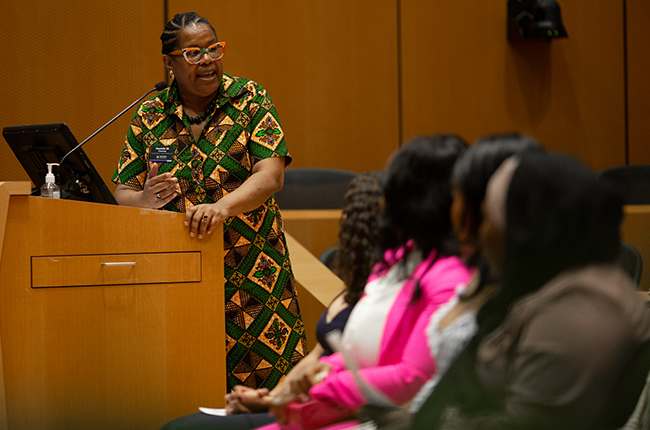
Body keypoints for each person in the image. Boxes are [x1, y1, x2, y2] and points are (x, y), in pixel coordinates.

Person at [111, 12, 305, 390]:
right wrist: (146, 199)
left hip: (254, 278)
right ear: (169, 62)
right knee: (188, 388)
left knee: (267, 397)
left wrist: (223, 207)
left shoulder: (250, 99)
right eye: (194, 53)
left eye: (213, 49)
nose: (208, 60)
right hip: (177, 279)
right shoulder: (150, 115)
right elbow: (122, 194)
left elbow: (271, 175)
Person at [414, 151, 650, 430]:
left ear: (523, 229)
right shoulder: (554, 286)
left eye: (488, 219)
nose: (482, 234)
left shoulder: (580, 309)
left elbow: (528, 425)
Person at [259, 134, 473, 430]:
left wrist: (320, 386)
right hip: (357, 406)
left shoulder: (449, 278)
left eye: (392, 188)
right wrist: (315, 376)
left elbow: (410, 378)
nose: (383, 199)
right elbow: (351, 354)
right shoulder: (396, 259)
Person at [161, 171, 385, 430]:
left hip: (339, 414)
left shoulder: (395, 294)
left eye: (352, 219)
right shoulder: (358, 288)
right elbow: (317, 358)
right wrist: (272, 398)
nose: (344, 227)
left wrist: (286, 402)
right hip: (305, 405)